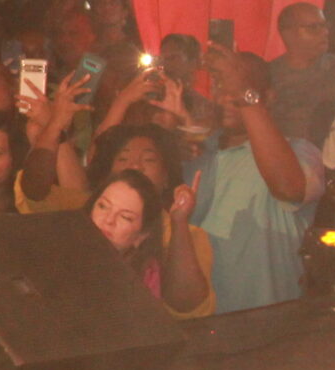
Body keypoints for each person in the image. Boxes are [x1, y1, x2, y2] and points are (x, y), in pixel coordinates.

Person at [190, 47, 312, 313]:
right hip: (203, 317)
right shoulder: (199, 154)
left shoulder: (298, 151)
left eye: (240, 86)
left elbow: (289, 187)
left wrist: (245, 96)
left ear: (268, 97)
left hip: (266, 317)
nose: (228, 96)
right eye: (220, 85)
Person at [88, 168, 214, 318]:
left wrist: (179, 219)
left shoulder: (145, 279)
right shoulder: (64, 251)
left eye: (125, 217)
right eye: (102, 206)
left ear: (141, 236)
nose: (108, 220)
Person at [269, 1, 335, 151]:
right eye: (314, 27)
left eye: (325, 26)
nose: (325, 32)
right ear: (287, 34)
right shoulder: (268, 75)